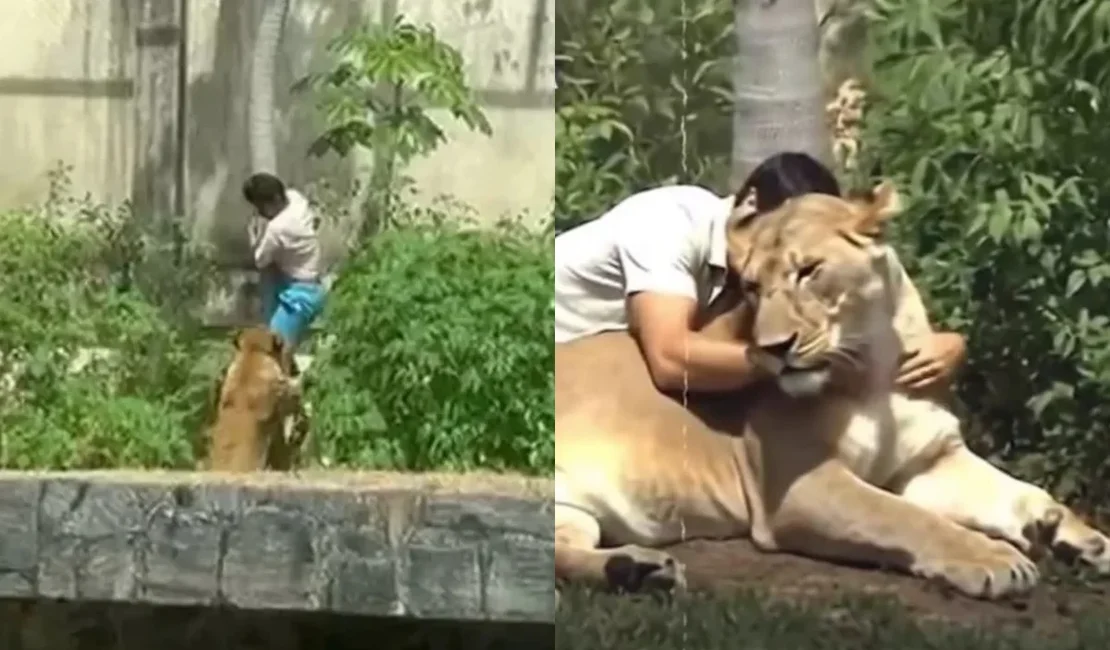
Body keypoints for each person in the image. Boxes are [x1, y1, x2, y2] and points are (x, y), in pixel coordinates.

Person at [554, 151, 965, 396]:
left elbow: (861, 294)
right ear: (749, 204)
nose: (780, 256)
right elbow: (671, 361)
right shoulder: (669, 222)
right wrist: (792, 361)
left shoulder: (757, 268)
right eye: (779, 233)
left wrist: (942, 345)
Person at [243, 172, 326, 357]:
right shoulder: (296, 199)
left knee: (273, 351)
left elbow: (260, 260)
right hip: (307, 282)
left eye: (261, 207)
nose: (259, 213)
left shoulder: (278, 228)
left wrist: (254, 238)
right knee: (276, 344)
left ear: (275, 200)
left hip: (300, 295)